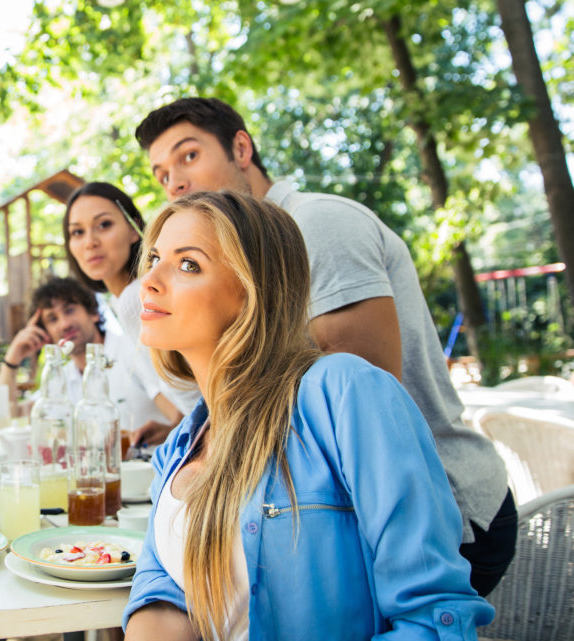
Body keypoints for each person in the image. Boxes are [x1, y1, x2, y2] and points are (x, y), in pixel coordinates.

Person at [136, 96, 515, 596]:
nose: (176, 182)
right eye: (162, 175)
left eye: (188, 156)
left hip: (437, 507)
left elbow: (367, 401)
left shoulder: (317, 223)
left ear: (242, 148)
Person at [123, 191, 493, 639]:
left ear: (250, 292)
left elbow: (434, 616)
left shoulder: (343, 394)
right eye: (156, 257)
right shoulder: (178, 449)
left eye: (188, 265)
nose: (149, 281)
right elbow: (161, 591)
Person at [62, 181, 201, 444]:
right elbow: (184, 398)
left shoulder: (139, 297)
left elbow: (199, 398)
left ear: (133, 228)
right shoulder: (122, 308)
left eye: (104, 225)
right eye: (77, 232)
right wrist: (171, 429)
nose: (90, 242)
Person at [0, 277, 165, 428]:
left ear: (93, 313)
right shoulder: (63, 376)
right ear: (46, 334)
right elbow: (7, 414)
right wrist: (12, 359)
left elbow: (182, 411)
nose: (64, 324)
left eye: (69, 310)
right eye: (52, 319)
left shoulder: (133, 349)